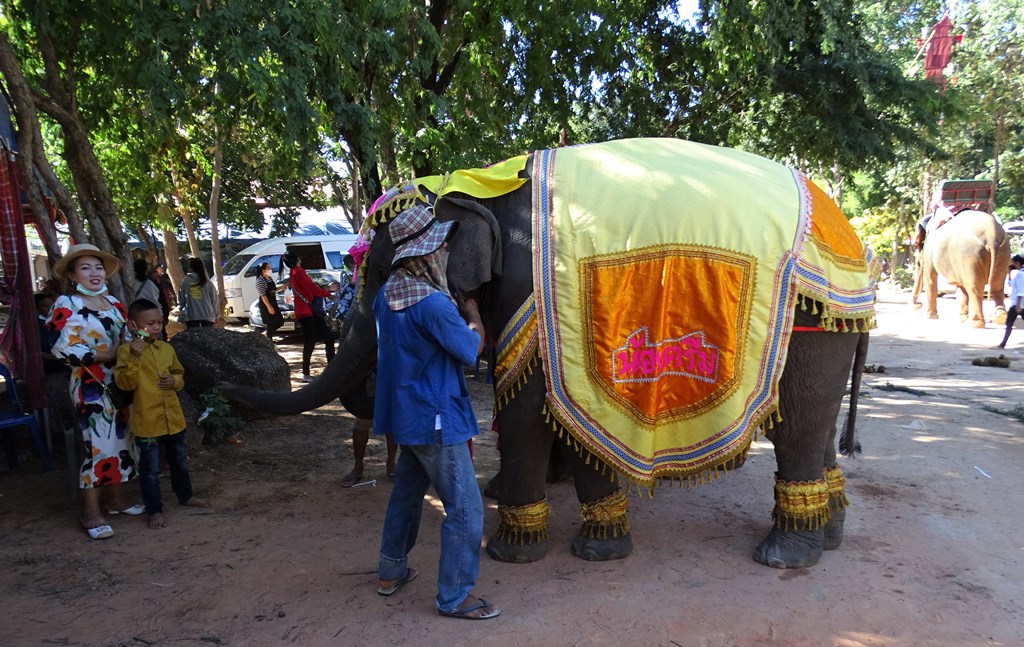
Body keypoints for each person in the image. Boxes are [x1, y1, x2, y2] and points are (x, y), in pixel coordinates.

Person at [373, 206, 500, 620]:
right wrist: (475, 317)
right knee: (465, 508)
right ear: (426, 253)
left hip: (406, 419)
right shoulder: (433, 305)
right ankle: (455, 597)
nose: (446, 249)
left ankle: (391, 571)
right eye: (441, 244)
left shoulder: (385, 296)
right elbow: (468, 352)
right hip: (436, 420)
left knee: (406, 495)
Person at [47, 244, 142, 540]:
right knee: (97, 444)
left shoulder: (114, 303)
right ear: (74, 275)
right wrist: (107, 355)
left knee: (123, 440)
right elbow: (62, 348)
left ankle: (115, 501)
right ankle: (90, 511)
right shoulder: (67, 304)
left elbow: (127, 335)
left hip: (120, 381)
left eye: (98, 267)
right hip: (89, 384)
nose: (94, 273)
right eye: (86, 268)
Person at [114, 298, 210, 528]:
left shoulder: (166, 348)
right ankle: (154, 509)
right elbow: (125, 384)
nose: (156, 327)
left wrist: (174, 380)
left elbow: (179, 374)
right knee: (150, 469)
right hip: (147, 421)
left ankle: (185, 496)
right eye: (150, 323)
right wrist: (135, 358)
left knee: (179, 460)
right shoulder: (126, 352)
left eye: (159, 322)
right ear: (132, 326)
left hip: (172, 418)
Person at [282, 251, 334, 382]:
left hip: (305, 310)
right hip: (306, 311)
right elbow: (310, 287)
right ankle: (308, 372)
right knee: (313, 340)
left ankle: (329, 369)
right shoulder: (298, 271)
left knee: (325, 338)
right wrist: (326, 293)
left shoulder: (293, 273)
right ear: (296, 259)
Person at [133, 258, 170, 339]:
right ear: (146, 268)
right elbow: (162, 300)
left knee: (144, 339)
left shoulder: (132, 284)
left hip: (141, 318)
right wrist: (166, 315)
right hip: (157, 316)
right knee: (160, 339)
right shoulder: (153, 282)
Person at [178, 257, 219, 328]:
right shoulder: (207, 282)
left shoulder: (185, 281)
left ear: (191, 268)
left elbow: (181, 299)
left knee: (194, 338)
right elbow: (214, 301)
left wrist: (182, 311)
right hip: (208, 315)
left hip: (191, 316)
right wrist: (216, 316)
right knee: (207, 337)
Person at [997, 254, 1024, 349]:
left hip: (1018, 304)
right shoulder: (1019, 274)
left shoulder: (1020, 274)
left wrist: (1017, 305)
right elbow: (1011, 284)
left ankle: (1002, 344)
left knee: (1009, 324)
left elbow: (1021, 291)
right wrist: (1009, 273)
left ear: (1018, 263)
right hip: (1019, 304)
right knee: (1009, 324)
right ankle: (1002, 344)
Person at [255, 261, 284, 341]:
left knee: (279, 321)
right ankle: (269, 339)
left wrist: (281, 288)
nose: (270, 270)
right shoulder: (260, 281)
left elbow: (272, 290)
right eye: (268, 268)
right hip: (266, 304)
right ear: (263, 270)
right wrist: (269, 307)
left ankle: (265, 334)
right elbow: (263, 295)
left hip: (273, 302)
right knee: (271, 324)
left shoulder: (269, 278)